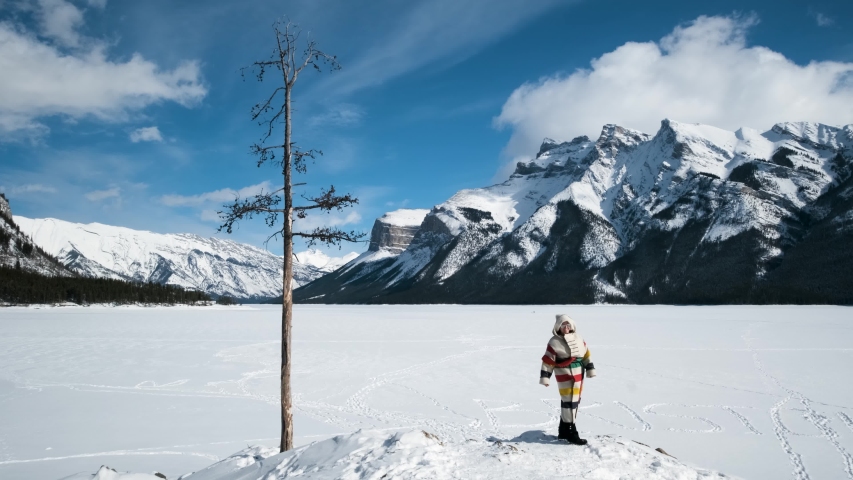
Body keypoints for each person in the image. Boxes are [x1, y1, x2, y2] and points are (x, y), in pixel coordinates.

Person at [539, 314, 596, 445]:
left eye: (568, 324)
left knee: (574, 401)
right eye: (563, 325)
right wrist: (545, 377)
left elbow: (587, 354)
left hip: (579, 374)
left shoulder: (579, 338)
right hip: (564, 374)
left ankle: (563, 430)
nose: (566, 327)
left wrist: (590, 369)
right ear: (558, 326)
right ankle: (571, 432)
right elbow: (548, 361)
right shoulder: (554, 342)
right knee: (568, 401)